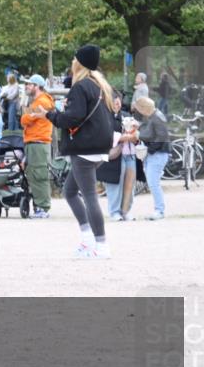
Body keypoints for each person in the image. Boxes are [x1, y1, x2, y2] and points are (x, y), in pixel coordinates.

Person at [31, 45, 115, 258]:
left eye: (74, 58)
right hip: (99, 146)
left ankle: (101, 245)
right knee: (69, 191)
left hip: (84, 148)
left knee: (89, 196)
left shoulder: (81, 87)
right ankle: (88, 240)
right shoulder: (100, 85)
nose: (71, 61)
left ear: (80, 62)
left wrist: (49, 115)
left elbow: (72, 118)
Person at [97, 93, 140, 222]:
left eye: (119, 102)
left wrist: (135, 135)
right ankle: (114, 211)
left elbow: (136, 135)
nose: (118, 104)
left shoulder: (126, 116)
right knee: (115, 184)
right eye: (115, 102)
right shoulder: (103, 117)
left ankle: (126, 211)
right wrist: (123, 137)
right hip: (113, 155)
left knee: (130, 185)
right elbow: (104, 136)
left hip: (130, 155)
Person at [19, 74, 54, 219]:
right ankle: (40, 207)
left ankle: (43, 208)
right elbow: (27, 118)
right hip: (34, 143)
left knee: (39, 175)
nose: (27, 86)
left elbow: (26, 119)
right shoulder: (37, 102)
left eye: (29, 84)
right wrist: (27, 115)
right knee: (34, 174)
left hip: (39, 143)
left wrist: (27, 116)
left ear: (37, 86)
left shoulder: (42, 102)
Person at [132, 96, 170, 221]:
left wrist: (149, 149)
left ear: (143, 108)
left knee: (153, 183)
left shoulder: (156, 117)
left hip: (157, 154)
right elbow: (152, 133)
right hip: (155, 153)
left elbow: (161, 138)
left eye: (139, 109)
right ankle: (159, 210)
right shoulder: (154, 115)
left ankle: (159, 210)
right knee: (153, 182)